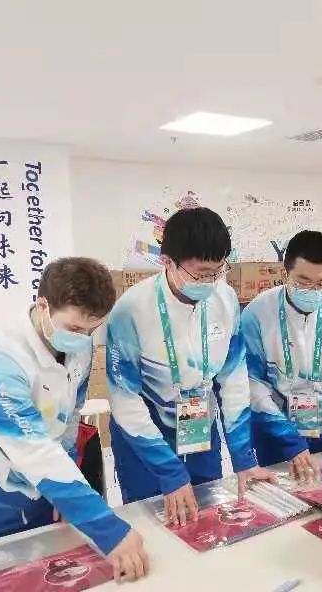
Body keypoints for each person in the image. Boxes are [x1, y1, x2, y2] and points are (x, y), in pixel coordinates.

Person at [0, 258, 147, 583]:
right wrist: (107, 528)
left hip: (40, 493)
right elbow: (31, 448)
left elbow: (70, 421)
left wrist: (66, 491)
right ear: (43, 306)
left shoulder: (80, 348)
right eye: (75, 329)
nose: (84, 338)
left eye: (92, 329)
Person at [106, 207, 272, 525]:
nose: (210, 281)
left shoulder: (225, 299)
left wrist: (243, 457)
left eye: (218, 271)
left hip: (198, 424)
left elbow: (233, 379)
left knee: (207, 515)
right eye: (201, 274)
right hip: (145, 433)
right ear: (167, 261)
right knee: (153, 519)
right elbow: (124, 400)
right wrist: (169, 472)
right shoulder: (131, 310)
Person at [241, 230, 322, 479]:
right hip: (275, 430)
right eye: (303, 282)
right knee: (281, 496)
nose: (313, 290)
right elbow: (252, 383)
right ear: (285, 274)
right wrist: (287, 437)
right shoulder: (257, 313)